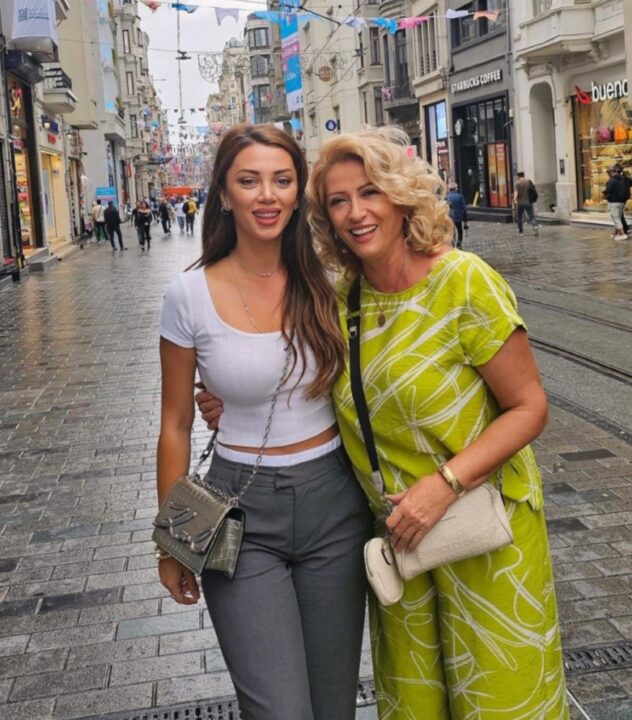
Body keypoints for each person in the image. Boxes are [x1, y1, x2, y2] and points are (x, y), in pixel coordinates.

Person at [198, 127, 569, 719]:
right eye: (338, 201)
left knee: (500, 700)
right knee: (415, 705)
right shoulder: (339, 299)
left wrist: (443, 484)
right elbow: (308, 387)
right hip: (401, 541)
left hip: (485, 529)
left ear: (401, 196)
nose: (356, 213)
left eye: (369, 192)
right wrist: (231, 402)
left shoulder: (463, 281)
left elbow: (530, 407)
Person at [156, 124, 371, 720]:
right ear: (224, 193)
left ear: (299, 191)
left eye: (282, 180)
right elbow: (174, 424)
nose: (267, 195)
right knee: (279, 709)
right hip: (240, 513)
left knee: (332, 706)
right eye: (249, 181)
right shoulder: (188, 294)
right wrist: (171, 545)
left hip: (336, 505)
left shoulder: (332, 279)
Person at [513, 171, 539, 236]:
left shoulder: (517, 183)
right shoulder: (528, 182)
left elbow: (516, 193)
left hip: (520, 203)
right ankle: (535, 226)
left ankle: (521, 232)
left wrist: (515, 199)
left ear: (518, 176)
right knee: (531, 216)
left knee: (520, 217)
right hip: (528, 202)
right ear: (523, 175)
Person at [445, 182, 468, 248]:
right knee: (459, 230)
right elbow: (464, 208)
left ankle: (452, 243)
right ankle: (459, 244)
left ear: (449, 189)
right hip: (458, 217)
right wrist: (465, 220)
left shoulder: (446, 197)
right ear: (456, 189)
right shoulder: (460, 196)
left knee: (451, 231)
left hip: (449, 217)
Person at [611, 164, 631, 237]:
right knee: (620, 214)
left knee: (618, 215)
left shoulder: (616, 178)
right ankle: (624, 229)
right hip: (624, 197)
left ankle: (623, 230)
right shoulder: (625, 178)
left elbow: (610, 188)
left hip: (618, 199)